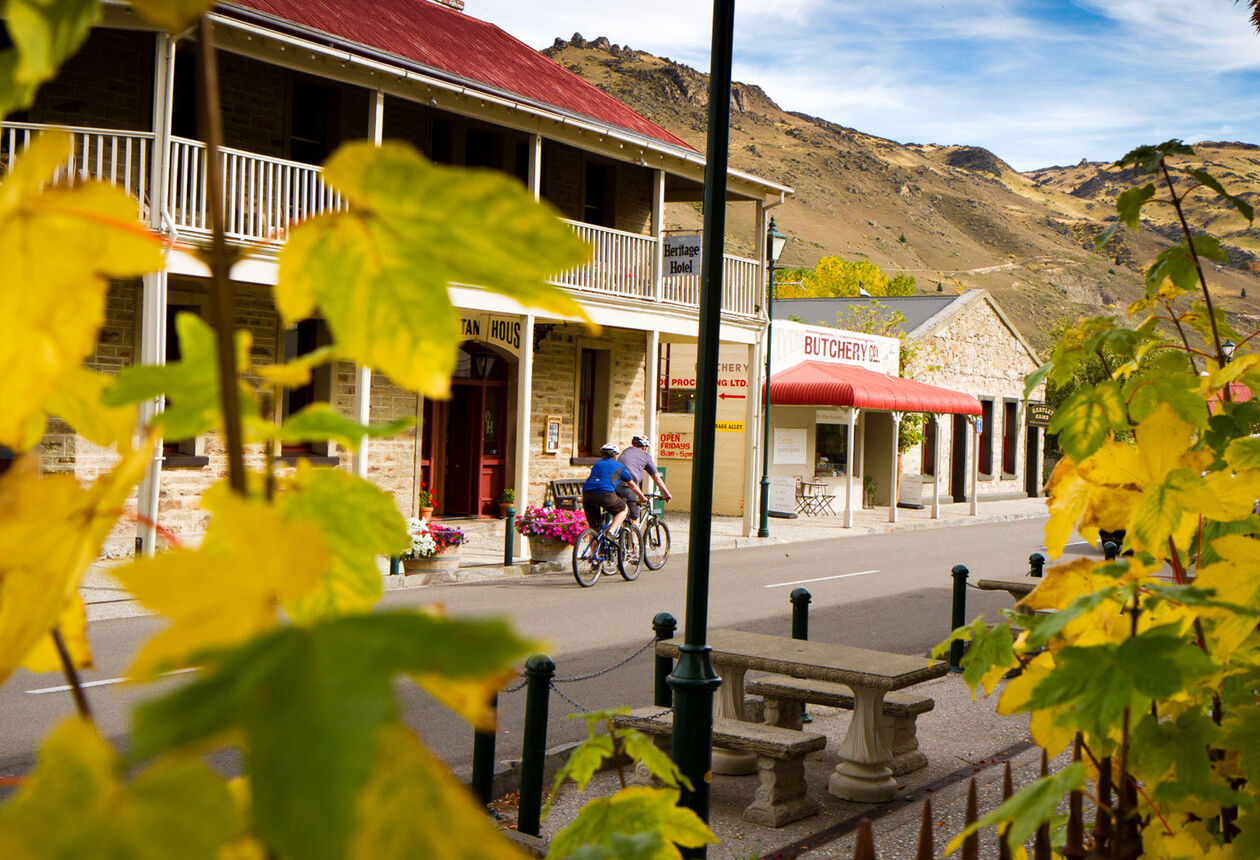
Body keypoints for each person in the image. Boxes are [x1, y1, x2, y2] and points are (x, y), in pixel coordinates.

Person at [582, 442, 648, 538]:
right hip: (604, 493)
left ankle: (595, 553)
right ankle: (611, 532)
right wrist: (642, 497)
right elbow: (632, 485)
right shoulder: (618, 466)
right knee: (623, 510)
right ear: (615, 456)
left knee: (595, 529)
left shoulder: (597, 464)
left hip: (587, 494)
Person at [617, 434, 672, 524]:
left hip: (613, 485)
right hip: (628, 487)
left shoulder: (625, 451)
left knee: (621, 512)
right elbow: (657, 478)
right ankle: (633, 537)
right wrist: (666, 494)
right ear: (644, 447)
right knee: (634, 518)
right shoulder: (646, 456)